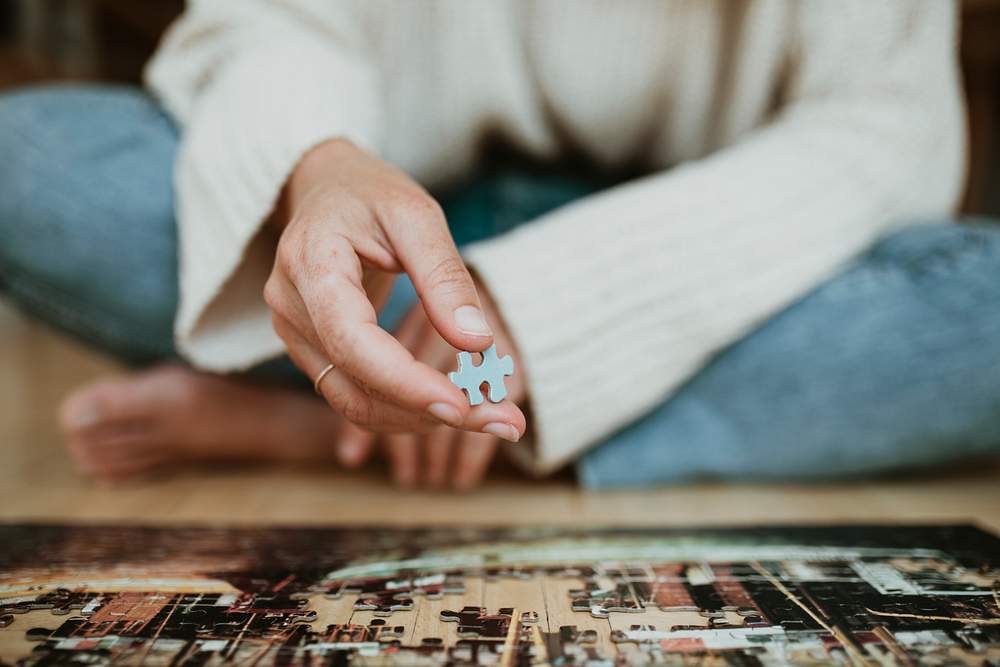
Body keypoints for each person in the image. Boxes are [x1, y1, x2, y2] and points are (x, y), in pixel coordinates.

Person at [2, 1, 999, 490]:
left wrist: (548, 306)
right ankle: (443, 395)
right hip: (410, 240)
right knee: (25, 155)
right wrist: (318, 170)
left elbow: (883, 130)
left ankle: (340, 426)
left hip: (711, 260)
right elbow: (271, 26)